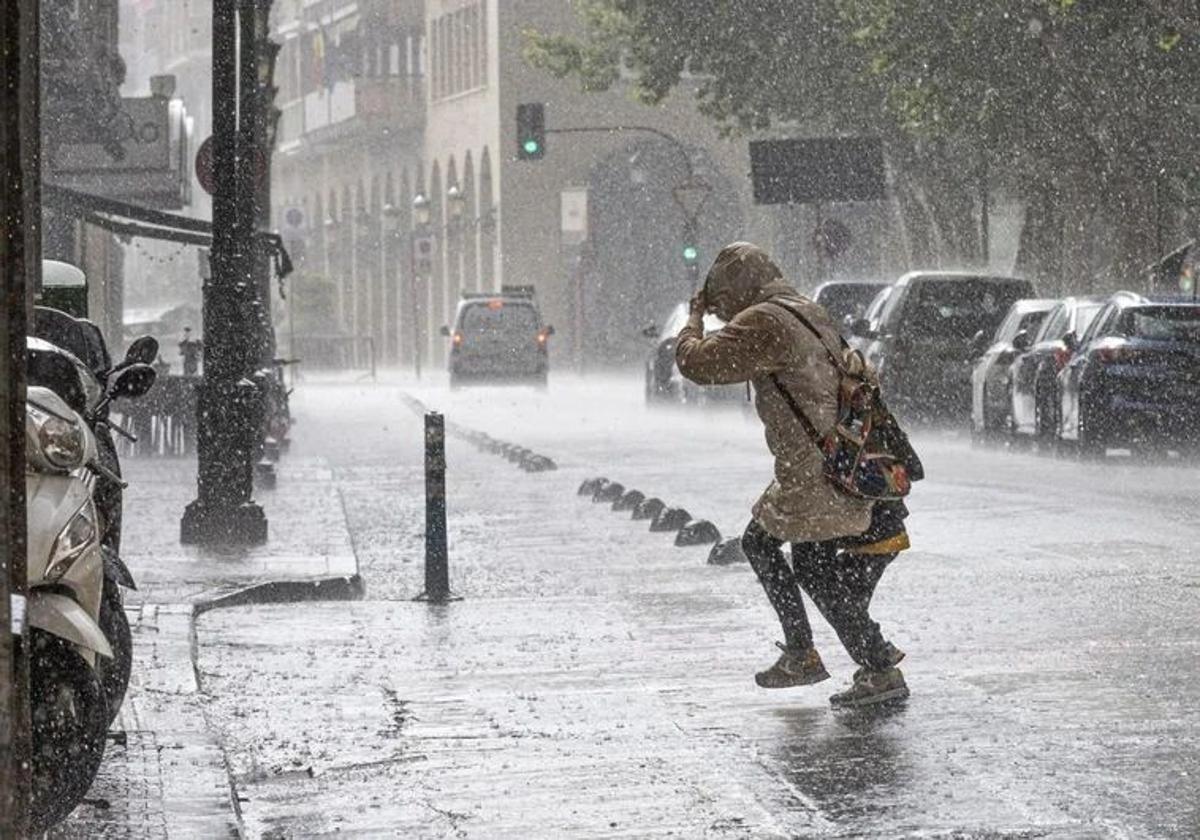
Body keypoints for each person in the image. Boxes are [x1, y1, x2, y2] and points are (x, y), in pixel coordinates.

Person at [675, 242, 910, 708]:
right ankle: (834, 655)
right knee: (785, 554)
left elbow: (696, 363)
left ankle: (869, 664)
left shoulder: (763, 320)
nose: (725, 314)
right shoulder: (804, 308)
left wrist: (693, 319)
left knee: (804, 566)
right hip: (834, 455)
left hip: (815, 467)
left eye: (723, 303)